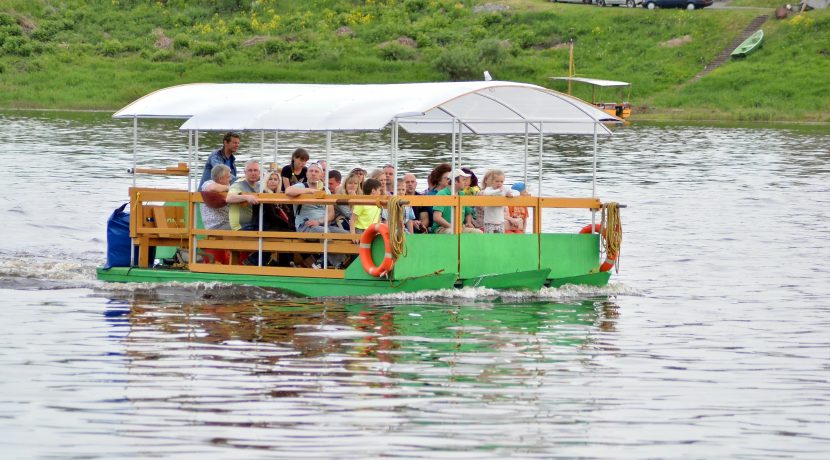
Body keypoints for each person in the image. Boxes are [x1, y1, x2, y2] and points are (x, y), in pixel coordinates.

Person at [285, 162, 349, 268]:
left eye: (316, 171)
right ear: (307, 174)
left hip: (322, 224)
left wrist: (319, 221)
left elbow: (331, 214)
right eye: (311, 171)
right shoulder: (302, 186)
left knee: (347, 235)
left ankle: (336, 262)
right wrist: (310, 191)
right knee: (325, 232)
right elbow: (288, 191)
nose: (313, 174)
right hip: (305, 225)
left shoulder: (325, 190)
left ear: (321, 175)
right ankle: (330, 263)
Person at [430, 169, 482, 234]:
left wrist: (468, 222)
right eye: (463, 180)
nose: (465, 182)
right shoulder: (442, 194)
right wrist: (451, 227)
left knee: (479, 233)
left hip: (460, 227)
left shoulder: (462, 194)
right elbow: (437, 217)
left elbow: (468, 212)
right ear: (455, 181)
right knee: (452, 233)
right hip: (441, 228)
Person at [479, 169, 518, 233]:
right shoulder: (489, 189)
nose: (499, 183)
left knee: (500, 239)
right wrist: (498, 190)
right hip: (489, 222)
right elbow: (486, 193)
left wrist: (512, 195)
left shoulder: (504, 189)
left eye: (501, 181)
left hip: (500, 221)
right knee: (489, 239)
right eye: (497, 181)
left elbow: (517, 192)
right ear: (492, 181)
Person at [229, 160, 262, 231]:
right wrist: (247, 197)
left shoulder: (260, 186)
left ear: (259, 172)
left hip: (254, 224)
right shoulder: (238, 184)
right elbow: (229, 198)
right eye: (250, 170)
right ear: (245, 172)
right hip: (240, 227)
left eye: (255, 170)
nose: (253, 173)